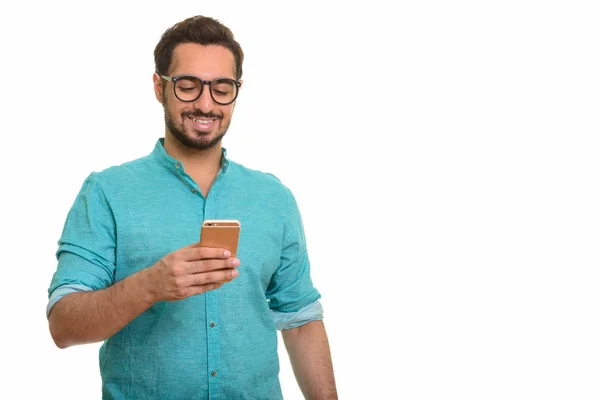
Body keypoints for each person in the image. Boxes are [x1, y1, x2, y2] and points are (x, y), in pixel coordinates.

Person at [47, 15, 337, 400]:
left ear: (237, 91)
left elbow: (300, 322)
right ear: (159, 87)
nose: (205, 103)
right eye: (187, 86)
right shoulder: (106, 192)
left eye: (221, 88)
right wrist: (150, 285)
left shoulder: (274, 198)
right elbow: (63, 325)